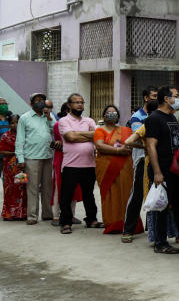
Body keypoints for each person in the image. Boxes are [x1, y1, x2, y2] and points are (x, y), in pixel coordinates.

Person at [144, 86, 179, 254]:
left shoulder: (173, 118)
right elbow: (151, 146)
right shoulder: (154, 118)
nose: (178, 98)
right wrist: (157, 172)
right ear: (166, 99)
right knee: (161, 206)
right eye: (175, 96)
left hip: (175, 168)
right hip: (161, 169)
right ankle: (160, 242)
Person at [57, 94, 101, 233]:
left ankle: (91, 220)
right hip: (70, 165)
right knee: (67, 195)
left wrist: (78, 135)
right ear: (69, 105)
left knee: (89, 194)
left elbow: (98, 135)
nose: (80, 105)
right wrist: (88, 135)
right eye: (76, 102)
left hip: (89, 164)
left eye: (82, 102)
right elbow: (70, 137)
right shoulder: (63, 121)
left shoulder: (88, 120)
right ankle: (65, 223)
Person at [93, 105, 140, 235]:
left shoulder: (126, 130)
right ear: (104, 116)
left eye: (114, 112)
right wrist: (119, 150)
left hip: (125, 167)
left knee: (126, 194)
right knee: (110, 195)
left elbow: (135, 143)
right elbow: (99, 146)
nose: (112, 114)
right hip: (106, 168)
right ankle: (113, 224)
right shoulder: (99, 131)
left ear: (118, 116)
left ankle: (129, 224)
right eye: (109, 112)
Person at [121, 87, 157, 243]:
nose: (157, 98)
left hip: (157, 159)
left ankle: (154, 230)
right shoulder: (138, 117)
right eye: (154, 96)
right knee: (137, 194)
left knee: (157, 195)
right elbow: (140, 138)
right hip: (142, 159)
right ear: (146, 98)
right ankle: (128, 229)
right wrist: (152, 146)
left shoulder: (161, 115)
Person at [16, 92, 55, 225]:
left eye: (42, 100)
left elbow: (55, 130)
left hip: (47, 156)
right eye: (37, 100)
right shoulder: (24, 118)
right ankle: (32, 216)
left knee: (47, 187)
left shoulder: (48, 116)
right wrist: (20, 159)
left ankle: (48, 214)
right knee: (32, 188)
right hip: (31, 157)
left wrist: (49, 116)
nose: (40, 102)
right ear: (31, 104)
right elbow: (20, 139)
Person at [50, 102, 81, 226]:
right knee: (59, 186)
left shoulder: (79, 123)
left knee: (73, 187)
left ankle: (71, 215)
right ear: (63, 112)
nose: (70, 112)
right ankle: (56, 216)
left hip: (76, 158)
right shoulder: (59, 124)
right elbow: (71, 138)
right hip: (61, 158)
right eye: (68, 110)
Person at [0, 115, 27, 221]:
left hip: (21, 167)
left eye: (17, 122)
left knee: (21, 188)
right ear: (9, 124)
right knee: (10, 189)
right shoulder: (5, 136)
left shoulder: (25, 135)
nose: (15, 125)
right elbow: (1, 151)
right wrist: (15, 152)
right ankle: (8, 213)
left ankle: (21, 214)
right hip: (10, 168)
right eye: (12, 123)